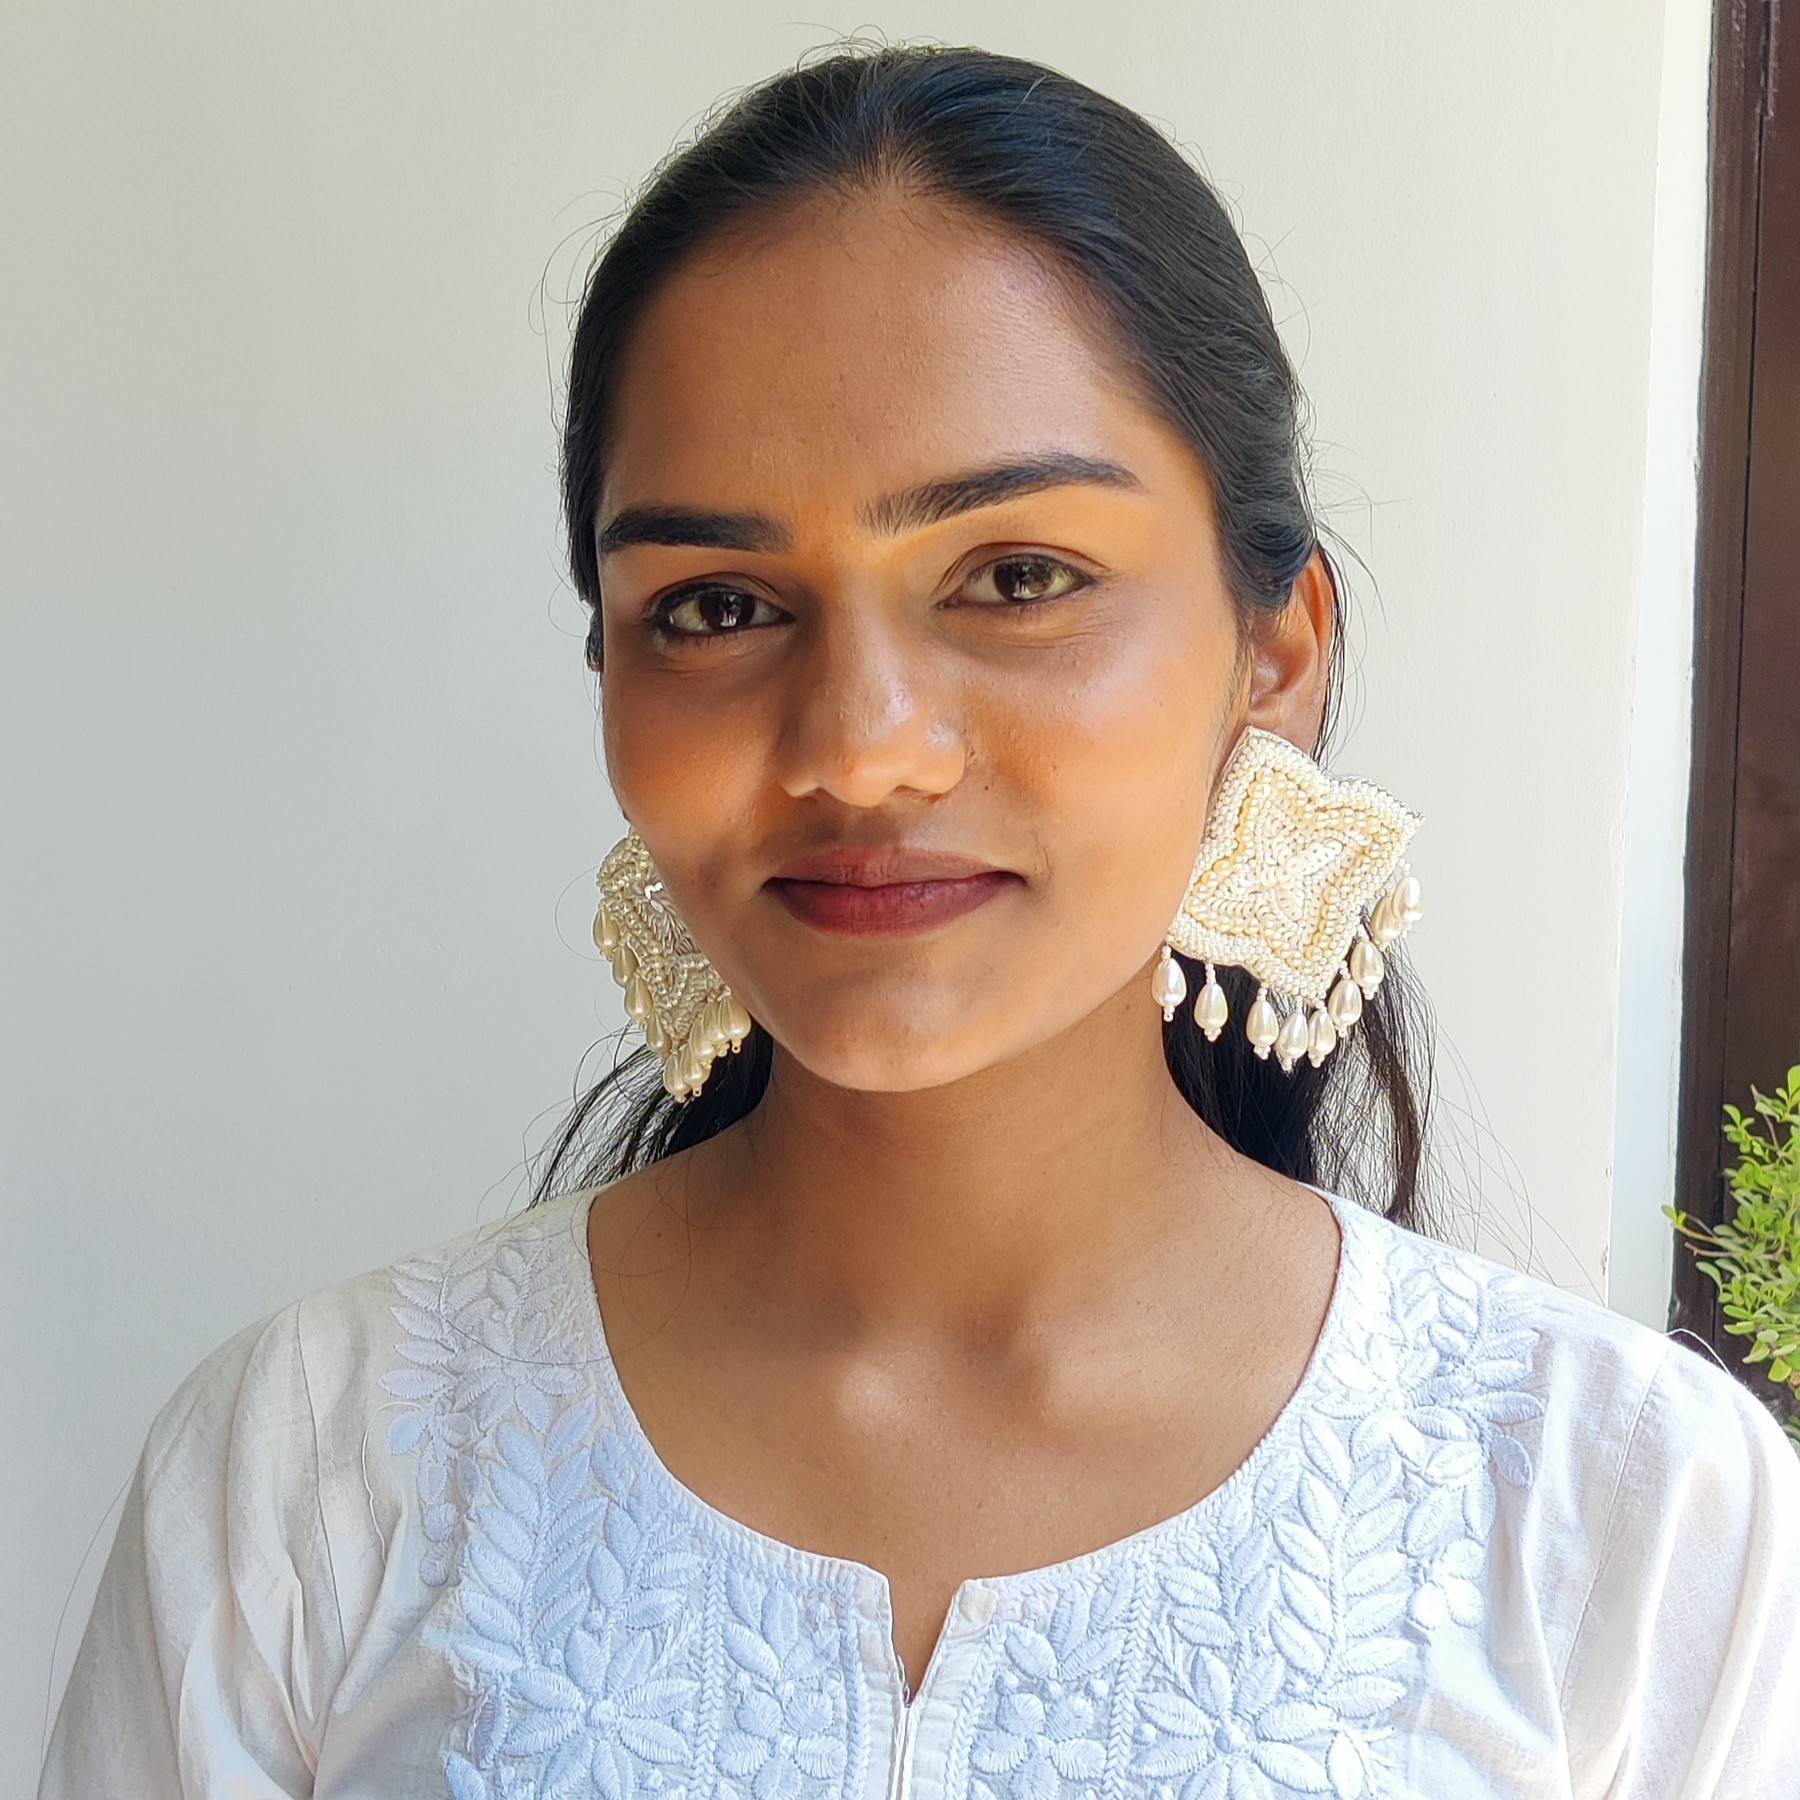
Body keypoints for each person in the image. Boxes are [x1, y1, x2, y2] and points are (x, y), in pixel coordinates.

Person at [41, 44, 1800, 1800]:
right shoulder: (317, 1475)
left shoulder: (1627, 1523)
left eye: (1018, 577)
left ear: (1275, 654)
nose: (860, 750)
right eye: (718, 605)